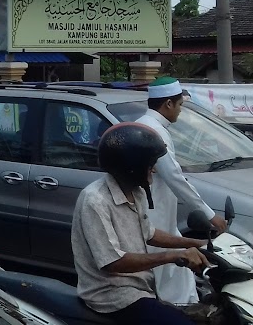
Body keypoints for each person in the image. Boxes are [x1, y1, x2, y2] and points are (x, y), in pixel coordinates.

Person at [72, 122, 209, 324]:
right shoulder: (95, 200)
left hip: (140, 288)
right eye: (150, 164)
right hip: (111, 295)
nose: (153, 170)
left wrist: (198, 244)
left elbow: (149, 233)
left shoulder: (136, 192)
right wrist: (175, 256)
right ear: (132, 167)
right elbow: (112, 262)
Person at [135, 77, 227, 305]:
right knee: (169, 275)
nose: (179, 111)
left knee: (181, 272)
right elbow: (174, 177)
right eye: (179, 106)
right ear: (168, 104)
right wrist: (209, 214)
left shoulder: (144, 125)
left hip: (162, 214)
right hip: (154, 214)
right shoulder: (153, 131)